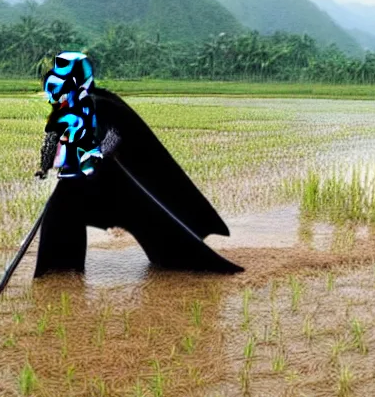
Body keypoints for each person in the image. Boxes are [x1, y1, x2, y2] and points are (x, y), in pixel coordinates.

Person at [32, 51, 240, 278]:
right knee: (59, 217)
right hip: (81, 178)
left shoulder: (101, 103)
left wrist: (95, 156)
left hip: (114, 179)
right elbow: (52, 139)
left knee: (151, 223)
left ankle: (176, 259)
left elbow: (115, 135)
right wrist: (45, 167)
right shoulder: (63, 109)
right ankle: (60, 272)